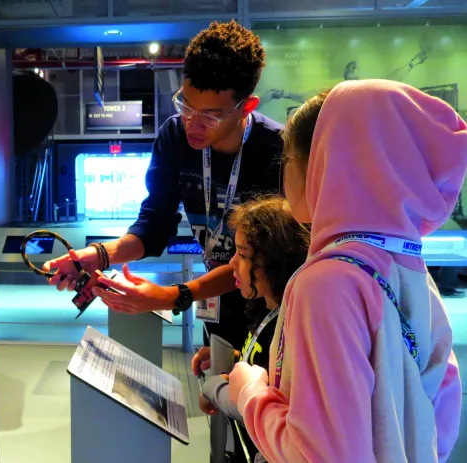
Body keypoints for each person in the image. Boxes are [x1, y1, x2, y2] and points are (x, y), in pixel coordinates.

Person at [227, 79, 465, 462]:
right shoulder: (410, 270)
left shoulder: (326, 284)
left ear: (323, 160)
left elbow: (318, 454)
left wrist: (248, 392)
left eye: (288, 158)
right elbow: (442, 416)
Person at [43, 20, 284, 349]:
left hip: (271, 312)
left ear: (246, 107)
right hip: (215, 309)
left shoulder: (276, 151)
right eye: (185, 105)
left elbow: (262, 260)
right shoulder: (174, 137)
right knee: (213, 389)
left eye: (211, 115)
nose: (191, 124)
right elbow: (154, 225)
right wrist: (97, 255)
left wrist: (175, 295)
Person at [191, 197, 309, 462]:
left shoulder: (289, 328)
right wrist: (232, 359)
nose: (232, 263)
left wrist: (212, 389)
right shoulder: (266, 310)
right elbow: (263, 368)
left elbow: (256, 404)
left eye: (243, 255)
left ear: (274, 264)